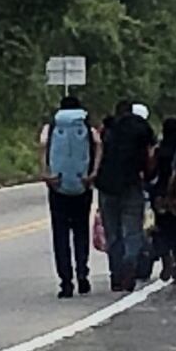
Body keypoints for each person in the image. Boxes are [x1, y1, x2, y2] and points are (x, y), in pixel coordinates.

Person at [38, 96, 101, 299]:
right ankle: (82, 274)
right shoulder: (87, 127)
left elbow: (42, 146)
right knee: (81, 231)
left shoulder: (52, 126)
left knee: (60, 234)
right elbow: (99, 146)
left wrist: (47, 174)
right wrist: (92, 174)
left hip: (58, 186)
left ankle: (66, 282)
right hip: (82, 185)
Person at [95, 100, 156, 292]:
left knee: (112, 232)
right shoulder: (141, 128)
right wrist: (147, 177)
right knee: (132, 230)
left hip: (107, 185)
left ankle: (116, 274)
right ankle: (130, 263)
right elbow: (150, 155)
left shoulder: (107, 128)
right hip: (132, 183)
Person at [152, 117, 176, 284]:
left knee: (161, 230)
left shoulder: (159, 151)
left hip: (159, 194)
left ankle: (166, 257)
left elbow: (151, 172)